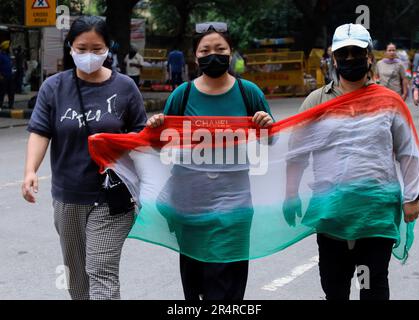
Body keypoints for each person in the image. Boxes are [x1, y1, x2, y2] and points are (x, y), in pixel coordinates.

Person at [288, 23, 419, 300]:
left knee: (373, 287)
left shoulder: (389, 101)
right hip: (331, 214)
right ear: (333, 58)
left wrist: (412, 197)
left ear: (369, 56)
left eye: (357, 53)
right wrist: (290, 194)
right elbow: (295, 151)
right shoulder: (316, 101)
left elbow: (408, 151)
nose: (350, 59)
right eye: (343, 54)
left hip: (375, 214)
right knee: (334, 288)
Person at [21, 16, 147, 300]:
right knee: (77, 276)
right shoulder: (54, 87)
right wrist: (30, 170)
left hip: (114, 196)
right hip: (69, 196)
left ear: (107, 49)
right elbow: (40, 131)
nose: (89, 55)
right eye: (82, 48)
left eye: (96, 48)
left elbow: (141, 136)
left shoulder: (125, 87)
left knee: (101, 269)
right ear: (70, 48)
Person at [146, 22, 273, 300]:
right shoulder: (183, 95)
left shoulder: (248, 92)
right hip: (189, 205)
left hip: (235, 206)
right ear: (195, 56)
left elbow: (272, 142)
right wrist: (155, 128)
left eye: (220, 49)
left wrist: (267, 126)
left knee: (227, 287)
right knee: (195, 284)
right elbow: (161, 146)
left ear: (231, 53)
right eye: (205, 50)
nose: (213, 55)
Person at [0, 40, 15, 109]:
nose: (10, 48)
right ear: (6, 48)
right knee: (2, 92)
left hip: (10, 76)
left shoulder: (8, 55)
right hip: (3, 77)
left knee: (11, 91)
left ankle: (11, 105)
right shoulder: (1, 56)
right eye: (9, 47)